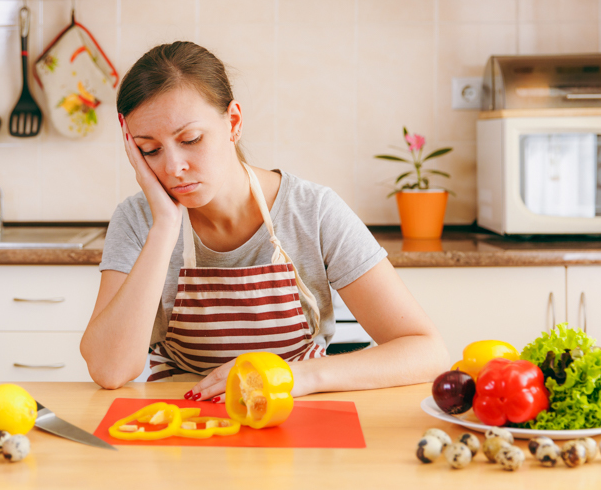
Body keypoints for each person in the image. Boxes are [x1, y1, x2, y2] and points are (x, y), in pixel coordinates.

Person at [80, 41, 449, 401]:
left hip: (294, 410)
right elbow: (110, 370)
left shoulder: (312, 211)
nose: (173, 168)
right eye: (150, 150)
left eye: (190, 139)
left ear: (233, 122)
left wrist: (294, 376)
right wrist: (163, 227)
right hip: (184, 419)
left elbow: (426, 351)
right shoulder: (137, 220)